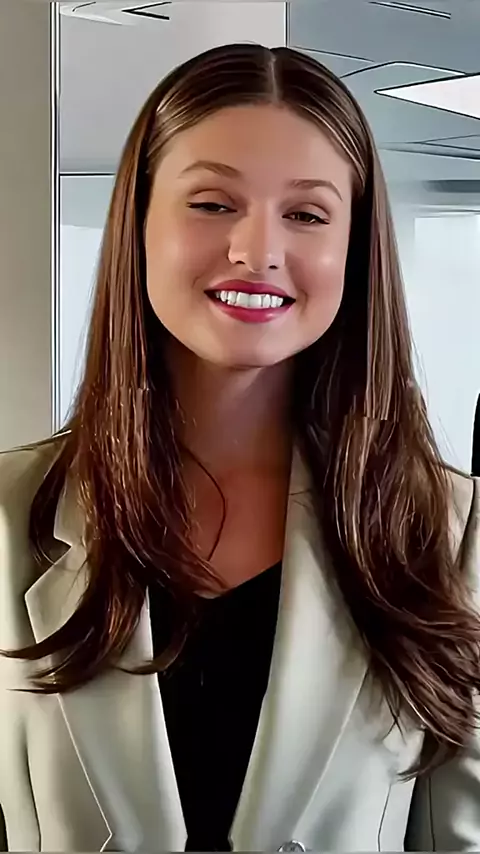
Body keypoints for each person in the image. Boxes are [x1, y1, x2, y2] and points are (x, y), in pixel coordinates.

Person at [0, 42, 479, 854]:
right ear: (138, 225)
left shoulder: (448, 529)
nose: (258, 250)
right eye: (213, 203)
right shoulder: (12, 516)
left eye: (307, 215)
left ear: (355, 249)